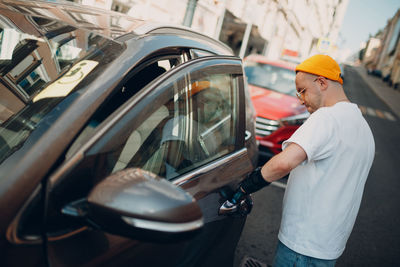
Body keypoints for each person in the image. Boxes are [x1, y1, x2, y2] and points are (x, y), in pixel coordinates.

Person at [232, 54, 375, 266]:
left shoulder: (327, 118)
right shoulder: (363, 128)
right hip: (328, 246)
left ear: (322, 82)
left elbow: (283, 163)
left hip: (302, 244)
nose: (300, 99)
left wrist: (244, 187)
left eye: (303, 90)